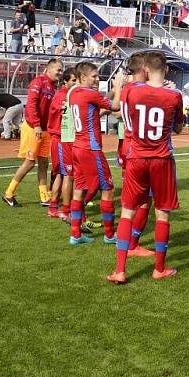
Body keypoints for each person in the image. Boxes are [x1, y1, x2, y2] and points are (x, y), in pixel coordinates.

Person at [107, 51, 185, 283]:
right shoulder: (175, 96)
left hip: (136, 157)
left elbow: (118, 104)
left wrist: (119, 84)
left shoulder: (132, 91)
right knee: (162, 214)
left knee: (127, 212)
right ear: (167, 70)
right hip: (162, 159)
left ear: (146, 70)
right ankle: (159, 268)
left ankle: (120, 270)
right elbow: (178, 129)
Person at [67, 62, 124, 245]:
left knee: (79, 190)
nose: (98, 79)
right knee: (107, 190)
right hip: (91, 149)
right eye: (94, 76)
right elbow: (115, 106)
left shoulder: (75, 93)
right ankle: (109, 235)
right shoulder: (90, 93)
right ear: (83, 77)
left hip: (77, 147)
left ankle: (75, 235)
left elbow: (97, 103)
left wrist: (110, 94)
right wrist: (118, 86)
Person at [2, 58, 63, 208]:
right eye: (58, 70)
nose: (60, 73)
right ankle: (9, 193)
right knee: (29, 163)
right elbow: (31, 105)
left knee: (43, 163)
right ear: (49, 69)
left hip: (45, 130)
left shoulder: (54, 87)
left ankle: (44, 197)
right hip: (33, 128)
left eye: (61, 70)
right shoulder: (39, 82)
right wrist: (36, 125)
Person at [116, 53, 157, 256]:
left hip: (127, 144)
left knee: (131, 198)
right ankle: (132, 243)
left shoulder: (126, 89)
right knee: (144, 199)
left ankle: (128, 243)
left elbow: (117, 110)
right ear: (143, 69)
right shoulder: (142, 89)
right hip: (141, 147)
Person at [46, 68, 79, 218]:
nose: (76, 83)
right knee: (65, 174)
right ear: (65, 81)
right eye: (73, 80)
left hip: (64, 139)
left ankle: (55, 206)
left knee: (62, 174)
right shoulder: (63, 96)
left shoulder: (68, 95)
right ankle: (63, 209)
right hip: (60, 139)